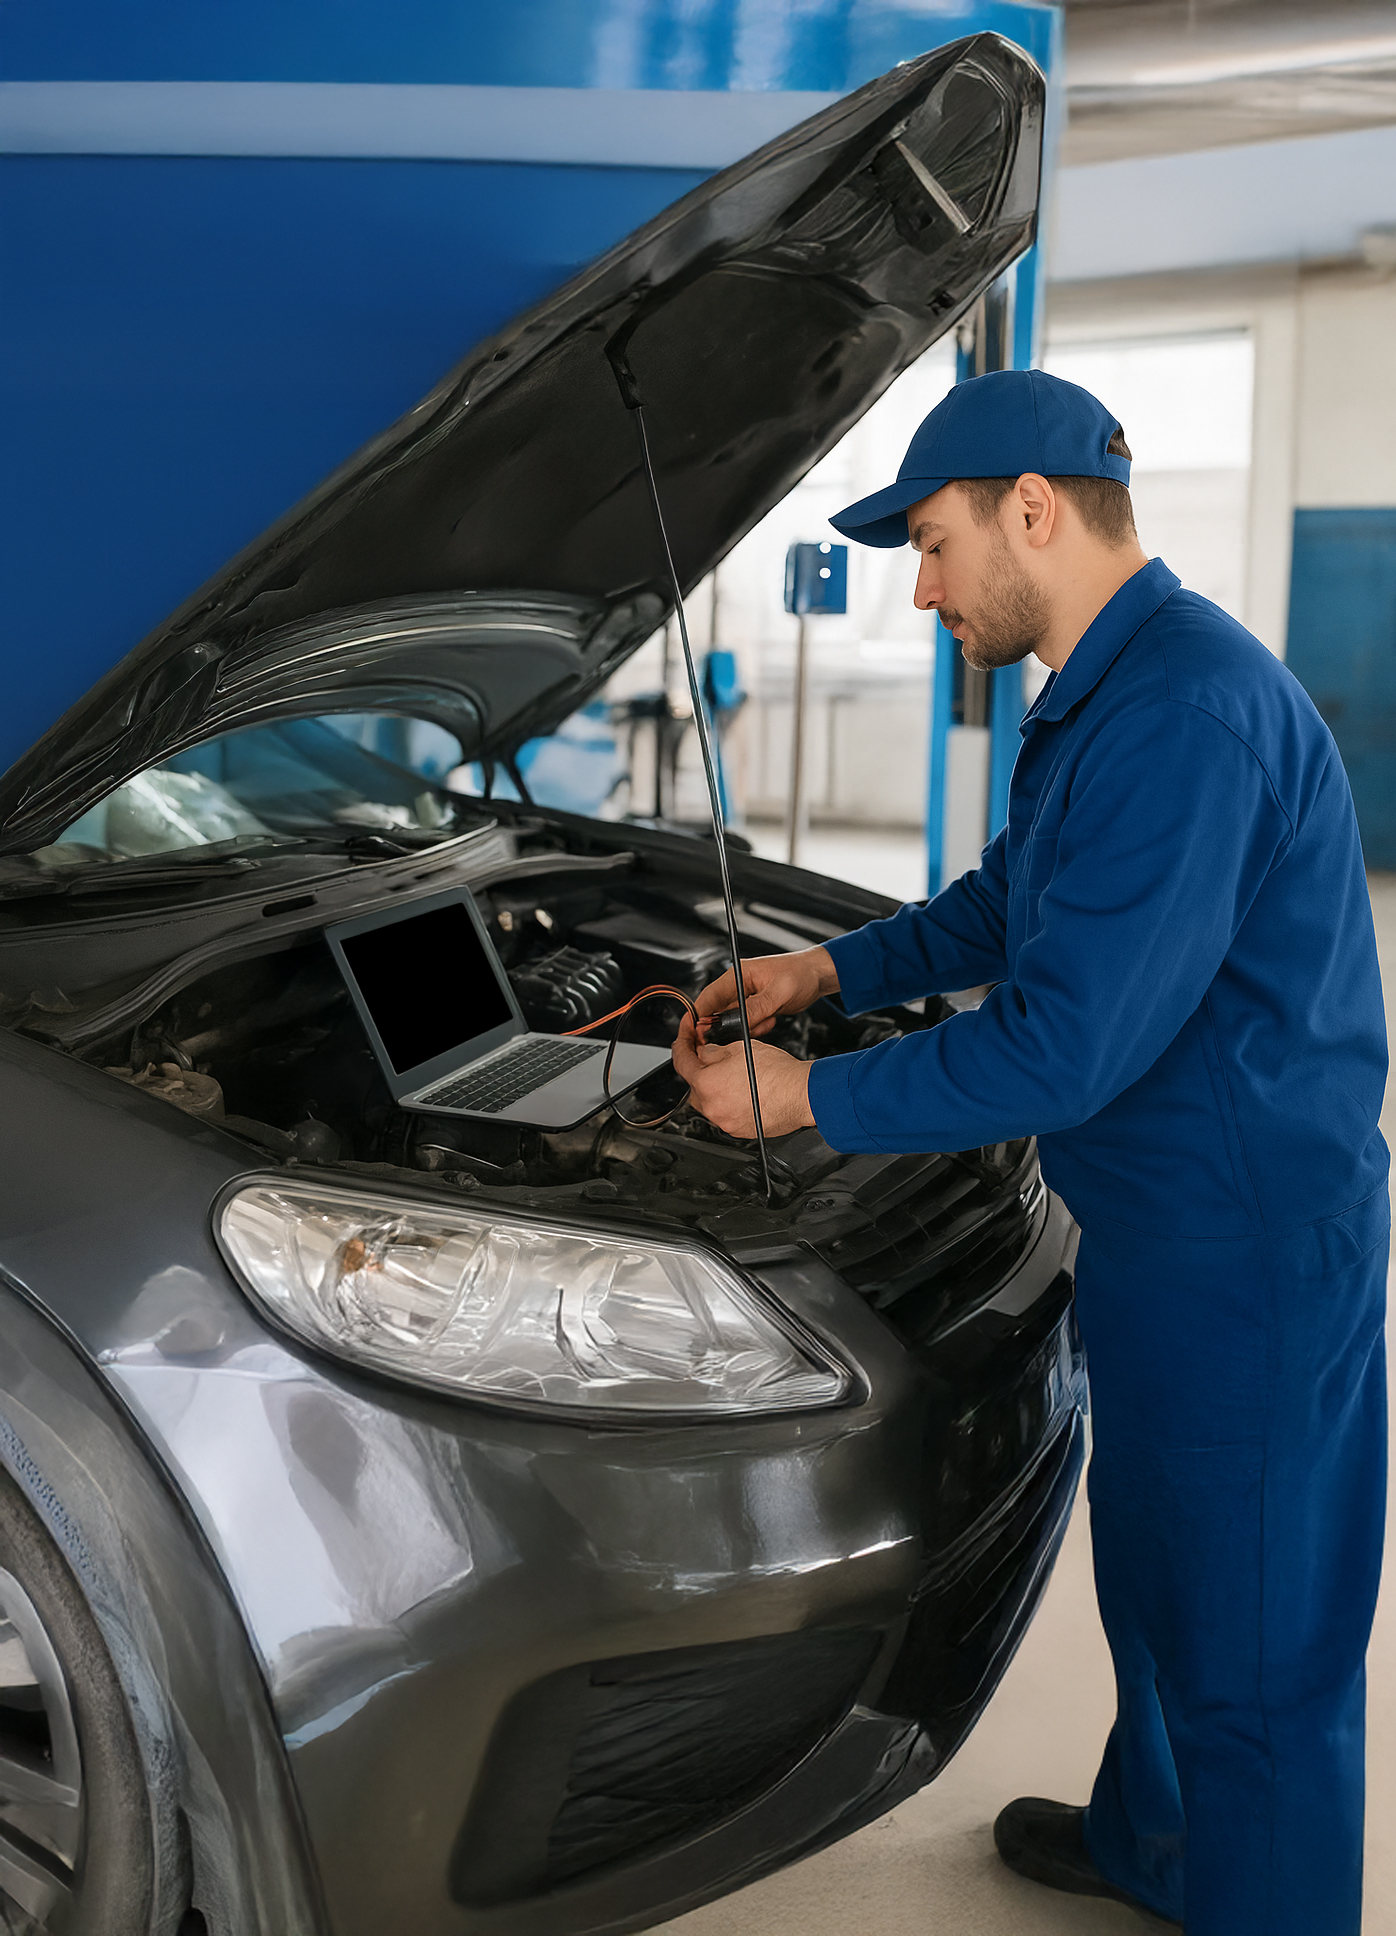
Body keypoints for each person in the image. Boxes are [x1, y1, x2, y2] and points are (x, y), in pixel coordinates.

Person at [671, 368, 1388, 1936]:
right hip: (1159, 1226)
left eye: (934, 546)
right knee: (1163, 1581)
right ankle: (1158, 1846)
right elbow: (1015, 901)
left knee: (1257, 1651)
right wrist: (827, 971)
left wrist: (807, 1099)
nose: (922, 589)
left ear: (1036, 513)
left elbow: (1062, 1047)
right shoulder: (1107, 694)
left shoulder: (1184, 717)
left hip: (1247, 1256)